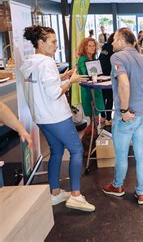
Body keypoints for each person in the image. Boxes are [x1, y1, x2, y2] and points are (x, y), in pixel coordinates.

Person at [21, 25, 95, 212]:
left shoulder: (30, 63)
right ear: (40, 42)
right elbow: (54, 92)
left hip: (42, 116)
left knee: (56, 151)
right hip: (56, 116)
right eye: (53, 42)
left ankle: (54, 193)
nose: (56, 45)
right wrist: (71, 81)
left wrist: (62, 76)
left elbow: (43, 86)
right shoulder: (46, 63)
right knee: (76, 150)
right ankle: (76, 196)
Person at [102, 27, 143, 205]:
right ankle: (142, 193)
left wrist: (124, 111)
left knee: (122, 155)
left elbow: (124, 84)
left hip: (127, 116)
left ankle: (117, 186)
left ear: (122, 40)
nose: (112, 43)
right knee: (141, 155)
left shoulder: (117, 57)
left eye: (115, 39)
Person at [77, 38, 105, 145]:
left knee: (95, 120)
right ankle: (86, 142)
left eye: (93, 45)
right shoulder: (82, 59)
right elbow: (86, 75)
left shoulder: (93, 57)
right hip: (88, 91)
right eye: (89, 46)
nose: (92, 48)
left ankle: (92, 141)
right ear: (84, 47)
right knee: (94, 120)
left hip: (96, 89)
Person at [98, 33, 115, 126]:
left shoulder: (104, 47)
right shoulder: (113, 48)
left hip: (101, 75)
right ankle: (108, 118)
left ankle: (103, 116)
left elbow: (101, 60)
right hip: (109, 75)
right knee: (109, 97)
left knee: (103, 97)